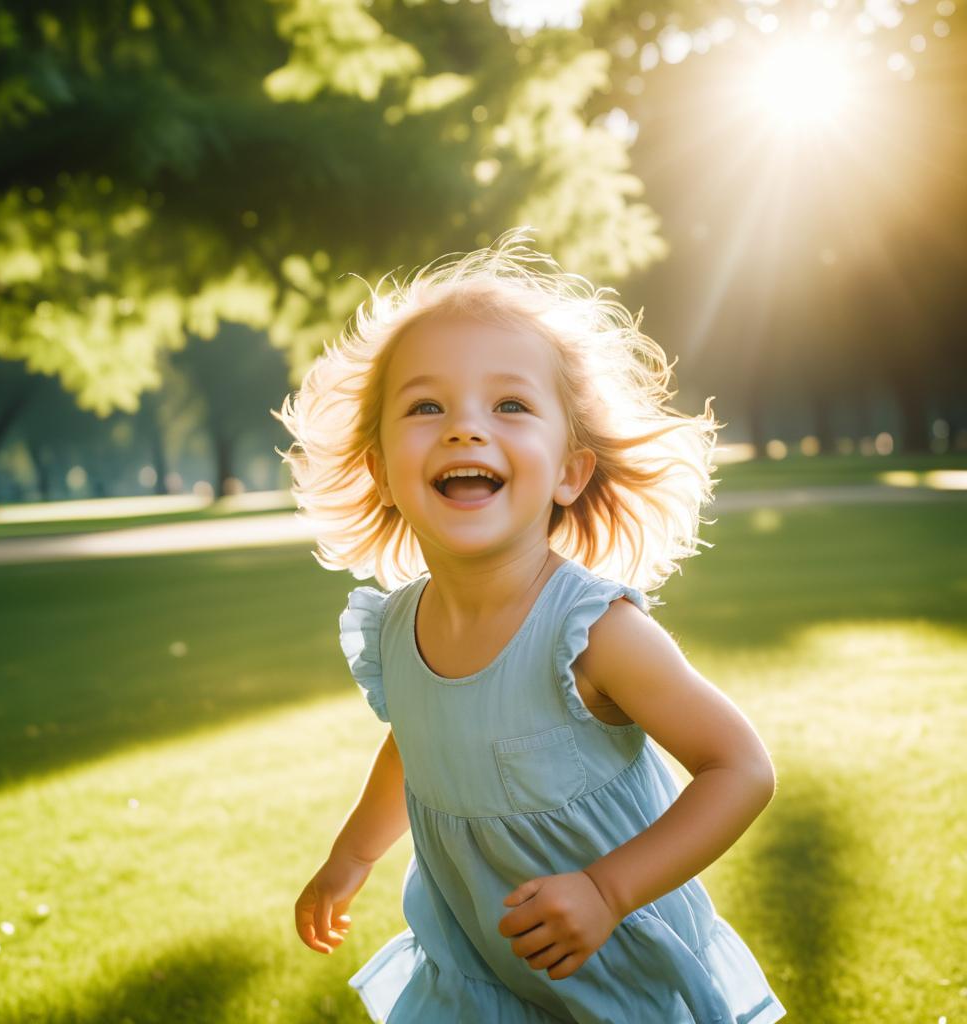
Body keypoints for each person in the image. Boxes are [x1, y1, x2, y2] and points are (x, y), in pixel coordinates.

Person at [284, 228, 786, 1023]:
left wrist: (605, 889)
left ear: (568, 469)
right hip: (483, 971)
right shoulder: (399, 627)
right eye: (425, 406)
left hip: (618, 973)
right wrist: (351, 857)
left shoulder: (592, 632)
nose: (465, 428)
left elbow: (741, 768)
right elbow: (416, 742)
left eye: (510, 405)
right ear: (381, 466)